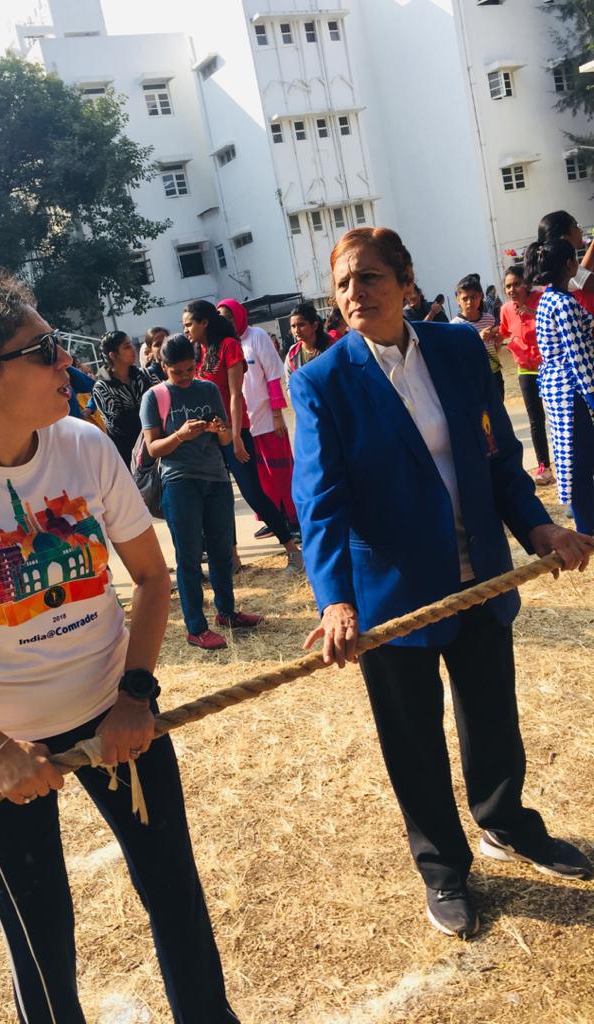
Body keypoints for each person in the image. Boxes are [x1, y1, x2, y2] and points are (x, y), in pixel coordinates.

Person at [0, 271, 240, 1024]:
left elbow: (154, 581)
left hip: (115, 712)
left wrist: (135, 694)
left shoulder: (85, 446)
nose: (68, 363)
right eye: (44, 350)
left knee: (176, 897)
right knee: (40, 943)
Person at [290, 226, 594, 941]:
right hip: (391, 596)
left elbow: (499, 459)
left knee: (492, 714)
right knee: (413, 739)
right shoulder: (321, 381)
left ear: (404, 281)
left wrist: (539, 529)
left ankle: (507, 824)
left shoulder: (459, 349)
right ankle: (443, 868)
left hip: (480, 575)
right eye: (342, 285)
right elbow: (320, 501)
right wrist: (335, 598)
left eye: (368, 278)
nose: (354, 295)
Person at [140, 334, 263, 651]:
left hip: (216, 479)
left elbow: (223, 443)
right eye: (177, 371)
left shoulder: (208, 389)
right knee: (190, 558)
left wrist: (221, 432)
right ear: (163, 366)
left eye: (189, 369)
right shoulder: (154, 397)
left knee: (222, 552)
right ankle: (196, 627)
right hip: (180, 482)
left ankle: (227, 612)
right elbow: (153, 449)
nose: (184, 377)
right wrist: (180, 435)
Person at [182, 299, 302, 572]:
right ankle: (233, 559)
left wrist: (236, 436)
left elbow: (237, 396)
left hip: (235, 431)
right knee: (219, 498)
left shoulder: (229, 346)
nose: (186, 330)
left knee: (253, 493)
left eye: (189, 324)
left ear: (204, 323)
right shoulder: (198, 352)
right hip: (209, 436)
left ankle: (293, 551)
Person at [527, 239, 594, 536]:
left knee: (579, 459)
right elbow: (577, 353)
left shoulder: (550, 298)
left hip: (559, 388)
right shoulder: (564, 304)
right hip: (571, 391)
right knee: (579, 464)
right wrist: (592, 395)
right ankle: (586, 528)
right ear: (569, 264)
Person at [217, 299, 298, 538]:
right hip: (244, 423)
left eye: (229, 317)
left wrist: (277, 415)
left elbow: (274, 376)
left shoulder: (257, 337)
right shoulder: (224, 345)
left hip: (267, 419)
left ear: (239, 316)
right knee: (259, 476)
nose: (226, 322)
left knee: (280, 471)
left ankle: (293, 518)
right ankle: (273, 519)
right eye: (221, 318)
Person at [499, 266, 553, 486]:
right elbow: (503, 331)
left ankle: (570, 461)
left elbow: (556, 323)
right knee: (535, 420)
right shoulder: (505, 309)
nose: (512, 289)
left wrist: (534, 314)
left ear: (527, 283)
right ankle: (544, 466)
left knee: (559, 417)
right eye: (508, 286)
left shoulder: (542, 300)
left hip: (548, 368)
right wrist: (491, 335)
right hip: (525, 370)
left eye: (516, 284)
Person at [92, 331, 153, 465]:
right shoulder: (102, 387)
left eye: (131, 344)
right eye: (127, 346)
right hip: (126, 456)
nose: (133, 349)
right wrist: (150, 416)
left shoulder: (143, 375)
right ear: (113, 355)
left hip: (153, 446)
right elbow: (116, 425)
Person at [451, 273, 505, 399]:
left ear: (480, 296)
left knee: (498, 410)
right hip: (472, 376)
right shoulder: (454, 326)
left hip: (494, 372)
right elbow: (458, 355)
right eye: (465, 298)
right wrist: (477, 339)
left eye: (473, 297)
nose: (470, 302)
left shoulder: (489, 319)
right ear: (458, 300)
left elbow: (493, 348)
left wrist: (498, 341)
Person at [537, 210, 594, 295]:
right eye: (576, 226)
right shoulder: (563, 267)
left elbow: (583, 271)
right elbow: (583, 276)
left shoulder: (556, 265)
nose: (581, 231)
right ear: (564, 238)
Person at [284, 303, 333, 391]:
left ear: (314, 326)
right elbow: (290, 385)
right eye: (293, 326)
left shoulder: (331, 348)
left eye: (301, 325)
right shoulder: (292, 355)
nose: (296, 330)